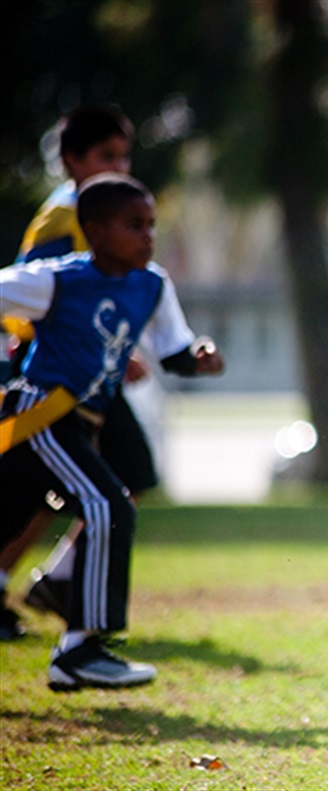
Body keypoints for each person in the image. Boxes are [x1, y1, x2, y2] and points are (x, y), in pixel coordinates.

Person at [0, 173, 225, 690]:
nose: (148, 236)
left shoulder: (152, 285)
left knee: (19, 516)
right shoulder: (57, 279)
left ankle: (79, 646)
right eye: (133, 226)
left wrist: (203, 359)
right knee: (108, 506)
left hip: (82, 423)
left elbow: (176, 353)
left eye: (151, 225)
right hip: (40, 416)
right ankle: (81, 650)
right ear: (95, 232)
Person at [0, 104, 160, 640]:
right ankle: (66, 611)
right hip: (50, 385)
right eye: (105, 155)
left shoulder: (117, 213)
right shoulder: (62, 218)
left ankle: (57, 581)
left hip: (91, 381)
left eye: (124, 154)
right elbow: (27, 301)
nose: (119, 164)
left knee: (82, 485)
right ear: (71, 162)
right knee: (84, 486)